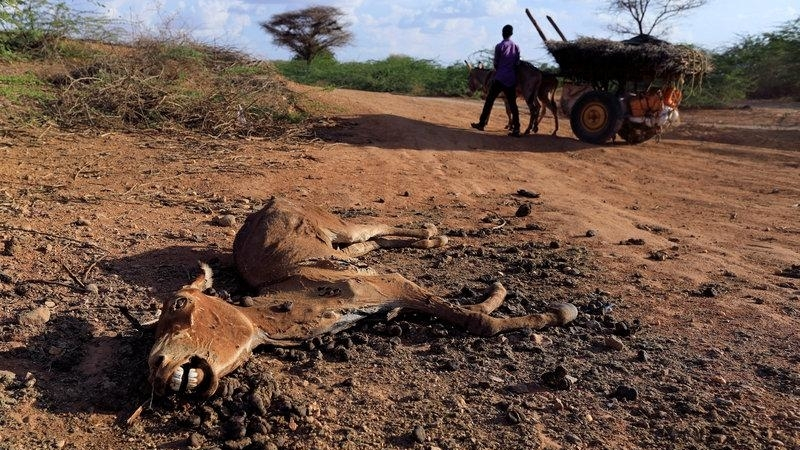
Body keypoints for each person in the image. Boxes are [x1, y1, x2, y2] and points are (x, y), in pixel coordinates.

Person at [471, 24, 521, 137]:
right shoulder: (516, 47)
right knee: (513, 104)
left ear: (502, 33)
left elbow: (496, 63)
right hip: (511, 79)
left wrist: (500, 70)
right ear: (511, 34)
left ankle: (482, 124)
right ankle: (517, 129)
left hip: (499, 78)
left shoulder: (499, 46)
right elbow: (517, 63)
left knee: (489, 100)